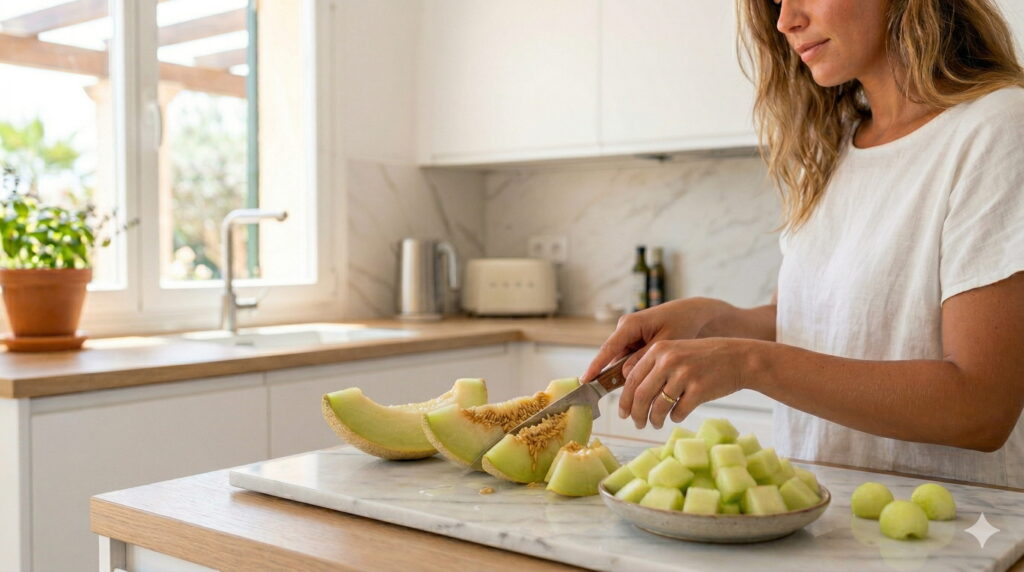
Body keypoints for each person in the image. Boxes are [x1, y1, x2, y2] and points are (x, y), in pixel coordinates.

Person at [582, 0, 1024, 488]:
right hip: (824, 523)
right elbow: (805, 322)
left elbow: (981, 409)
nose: (785, 20)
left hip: (953, 538)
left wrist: (747, 362)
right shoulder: (832, 146)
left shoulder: (998, 126)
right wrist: (708, 320)